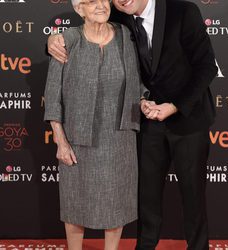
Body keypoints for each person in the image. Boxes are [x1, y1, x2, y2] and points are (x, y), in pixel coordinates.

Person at [48, 0, 218, 249]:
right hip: (147, 121)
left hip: (188, 119)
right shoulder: (118, 14)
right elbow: (82, 29)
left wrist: (174, 106)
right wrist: (52, 40)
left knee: (193, 199)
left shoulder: (183, 11)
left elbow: (206, 67)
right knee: (146, 199)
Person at [44, 0, 150, 249]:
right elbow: (52, 94)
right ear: (79, 9)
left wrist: (145, 100)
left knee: (116, 203)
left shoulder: (126, 36)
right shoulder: (67, 40)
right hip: (77, 139)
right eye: (91, 2)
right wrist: (60, 140)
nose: (101, 5)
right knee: (75, 204)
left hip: (119, 136)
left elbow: (138, 80)